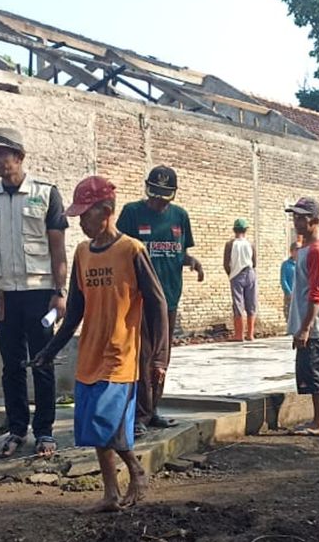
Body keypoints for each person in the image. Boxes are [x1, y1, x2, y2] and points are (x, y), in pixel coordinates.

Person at [30, 176, 169, 513]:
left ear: (106, 211)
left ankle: (135, 470)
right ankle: (111, 494)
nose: (80, 223)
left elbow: (157, 304)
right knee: (94, 426)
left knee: (106, 422)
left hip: (120, 353)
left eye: (85, 215)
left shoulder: (132, 250)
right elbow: (76, 310)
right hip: (90, 353)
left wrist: (159, 357)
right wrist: (50, 350)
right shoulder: (82, 253)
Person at [0, 127, 69, 459]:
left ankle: (45, 432)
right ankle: (16, 429)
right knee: (10, 365)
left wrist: (60, 292)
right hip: (3, 295)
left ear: (19, 157)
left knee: (42, 362)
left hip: (40, 293)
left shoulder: (46, 194)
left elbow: (58, 249)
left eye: (2, 154)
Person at [116, 165, 204, 436]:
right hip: (141, 299)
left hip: (170, 298)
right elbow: (119, 251)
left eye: (164, 196)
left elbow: (180, 253)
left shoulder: (180, 216)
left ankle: (153, 410)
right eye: (155, 195)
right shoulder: (132, 213)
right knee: (141, 357)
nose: (158, 201)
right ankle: (138, 415)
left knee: (160, 359)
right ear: (147, 189)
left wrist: (193, 262)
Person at [285, 197, 319, 437]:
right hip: (310, 323)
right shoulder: (305, 249)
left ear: (314, 221)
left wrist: (306, 327)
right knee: (318, 373)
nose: (297, 221)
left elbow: (317, 292)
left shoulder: (317, 251)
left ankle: (318, 424)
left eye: (302, 217)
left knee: (316, 374)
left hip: (315, 326)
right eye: (295, 216)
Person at [223, 218, 258, 341]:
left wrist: (231, 274)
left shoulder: (230, 244)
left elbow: (226, 263)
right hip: (250, 273)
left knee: (238, 304)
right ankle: (250, 334)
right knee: (251, 303)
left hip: (236, 275)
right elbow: (254, 262)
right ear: (246, 230)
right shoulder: (250, 244)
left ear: (234, 230)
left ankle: (239, 335)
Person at [280, 241, 299, 321]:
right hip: (290, 294)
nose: (299, 252)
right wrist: (289, 292)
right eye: (297, 249)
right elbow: (283, 279)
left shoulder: (301, 263)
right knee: (289, 314)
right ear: (292, 251)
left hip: (300, 294)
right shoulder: (286, 264)